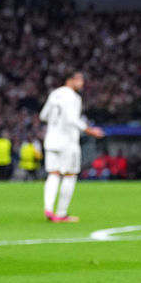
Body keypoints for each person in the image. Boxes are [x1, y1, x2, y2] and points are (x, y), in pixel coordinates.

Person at [39, 71, 105, 221]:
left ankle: (48, 209)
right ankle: (62, 213)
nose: (82, 83)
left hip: (51, 139)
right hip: (68, 142)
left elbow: (43, 116)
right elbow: (71, 119)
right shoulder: (74, 97)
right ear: (70, 80)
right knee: (69, 175)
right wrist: (90, 130)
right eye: (79, 80)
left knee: (53, 174)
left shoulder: (54, 94)